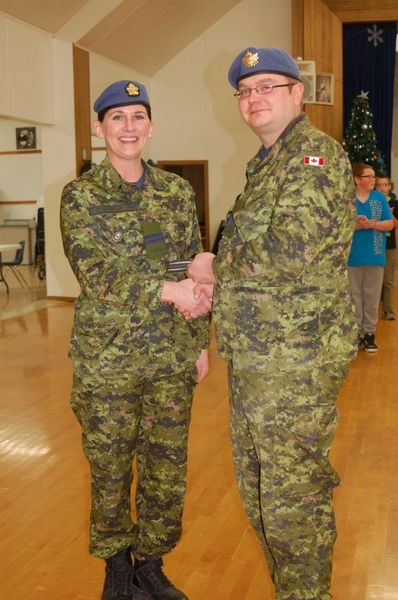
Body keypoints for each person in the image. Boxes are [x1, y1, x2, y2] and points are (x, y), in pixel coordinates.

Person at [186, 47, 358, 599]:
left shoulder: (313, 156)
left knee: (292, 496)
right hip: (262, 355)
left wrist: (214, 266)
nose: (254, 98)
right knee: (263, 490)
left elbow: (288, 251)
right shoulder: (267, 164)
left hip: (296, 359)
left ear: (296, 94)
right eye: (246, 90)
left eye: (267, 86)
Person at [60, 80, 212, 600]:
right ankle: (115, 566)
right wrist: (168, 289)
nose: (129, 127)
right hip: (108, 361)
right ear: (100, 129)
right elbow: (96, 273)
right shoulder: (81, 196)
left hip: (170, 356)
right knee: (109, 467)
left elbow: (190, 265)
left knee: (166, 468)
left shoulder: (175, 192)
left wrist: (199, 342)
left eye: (138, 116)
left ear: (151, 126)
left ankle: (150, 562)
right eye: (117, 118)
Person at [347, 164, 393, 353]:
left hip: (375, 256)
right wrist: (357, 226)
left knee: (372, 297)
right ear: (357, 179)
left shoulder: (379, 198)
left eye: (374, 176)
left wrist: (374, 224)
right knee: (354, 297)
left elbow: (390, 223)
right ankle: (356, 333)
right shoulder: (347, 199)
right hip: (352, 257)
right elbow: (338, 227)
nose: (373, 180)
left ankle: (370, 334)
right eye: (369, 176)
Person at [375, 175, 398, 320]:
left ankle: (388, 310)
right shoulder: (372, 202)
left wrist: (389, 214)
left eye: (385, 185)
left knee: (388, 280)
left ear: (390, 187)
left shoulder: (395, 203)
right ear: (376, 187)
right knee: (374, 281)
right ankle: (373, 312)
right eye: (380, 185)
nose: (382, 188)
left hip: (389, 246)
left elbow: (396, 225)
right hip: (374, 244)